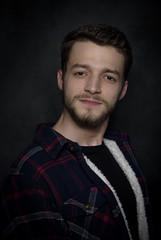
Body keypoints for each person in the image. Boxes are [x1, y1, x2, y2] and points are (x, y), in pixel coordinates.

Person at [0, 24, 152, 240]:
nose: (93, 87)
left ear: (123, 90)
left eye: (109, 77)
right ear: (61, 79)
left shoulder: (122, 150)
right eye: (81, 73)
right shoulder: (29, 174)